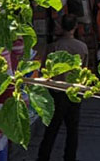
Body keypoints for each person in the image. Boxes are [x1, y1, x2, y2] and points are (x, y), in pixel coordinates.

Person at [37, 14, 88, 161]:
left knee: (52, 128)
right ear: (75, 27)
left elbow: (43, 70)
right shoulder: (82, 47)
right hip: (74, 91)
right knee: (73, 129)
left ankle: (43, 156)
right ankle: (70, 157)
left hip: (56, 92)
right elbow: (85, 70)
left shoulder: (53, 46)